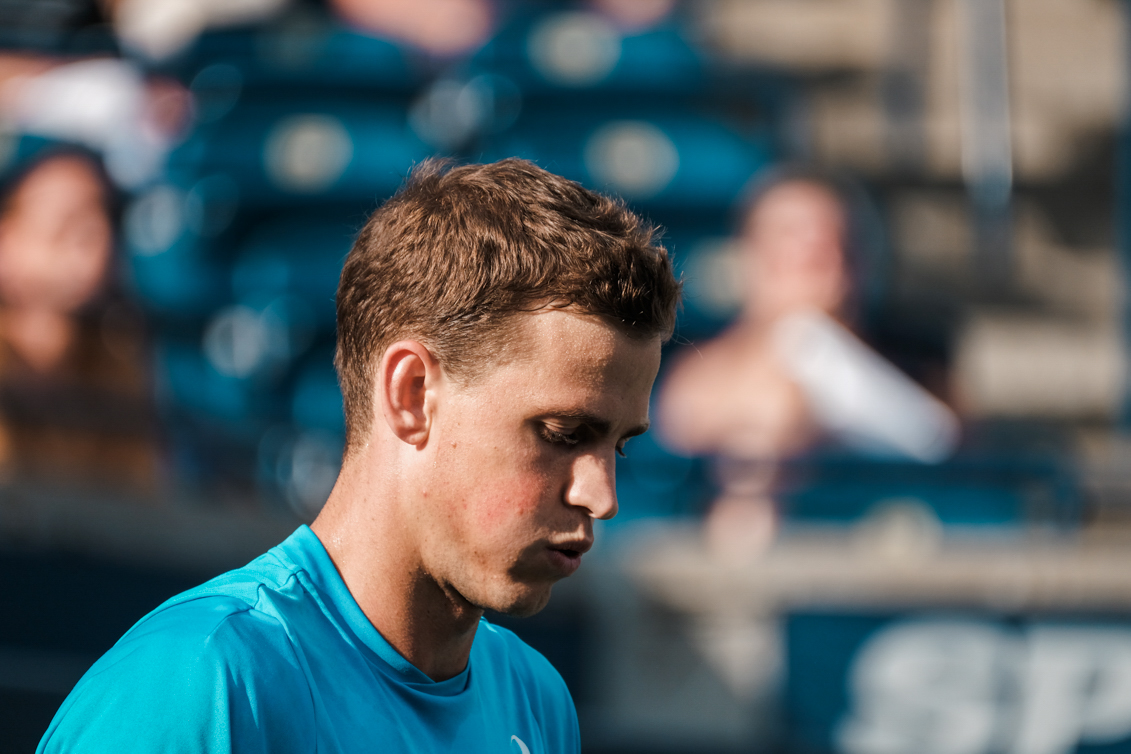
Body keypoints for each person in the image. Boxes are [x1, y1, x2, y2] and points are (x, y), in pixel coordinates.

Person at [38, 158, 680, 753]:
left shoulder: (535, 699)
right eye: (564, 433)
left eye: (618, 445)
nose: (602, 496)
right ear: (412, 393)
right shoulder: (200, 682)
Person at [658, 169, 956, 560]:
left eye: (837, 238)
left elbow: (955, 453)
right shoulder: (698, 369)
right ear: (750, 254)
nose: (819, 252)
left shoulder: (921, 365)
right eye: (792, 237)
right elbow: (681, 433)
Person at [0, 149, 157, 490]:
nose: (96, 240)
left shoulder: (122, 366)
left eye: (104, 218)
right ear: (7, 240)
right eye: (66, 223)